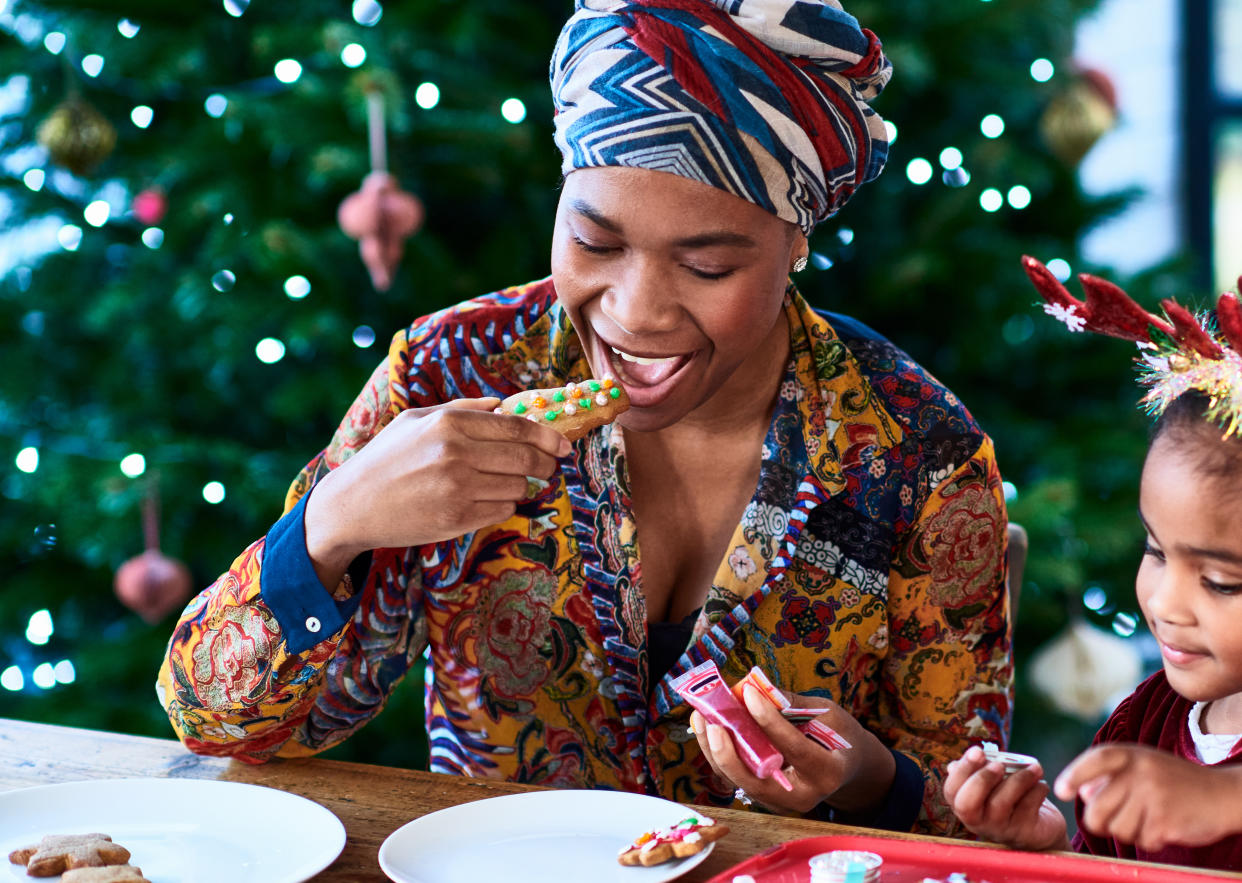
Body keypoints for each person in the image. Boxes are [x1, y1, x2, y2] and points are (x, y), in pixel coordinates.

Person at [157, 0, 1012, 836]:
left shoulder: (919, 451)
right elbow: (223, 724)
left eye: (708, 264)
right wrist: (335, 522)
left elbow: (982, 816)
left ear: (797, 241)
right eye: (596, 243)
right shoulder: (447, 373)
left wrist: (867, 781)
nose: (636, 314)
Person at [944, 257, 1242, 870]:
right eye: (1156, 551)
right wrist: (1049, 846)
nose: (1161, 604)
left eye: (1220, 582)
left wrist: (1223, 797)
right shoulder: (1143, 721)